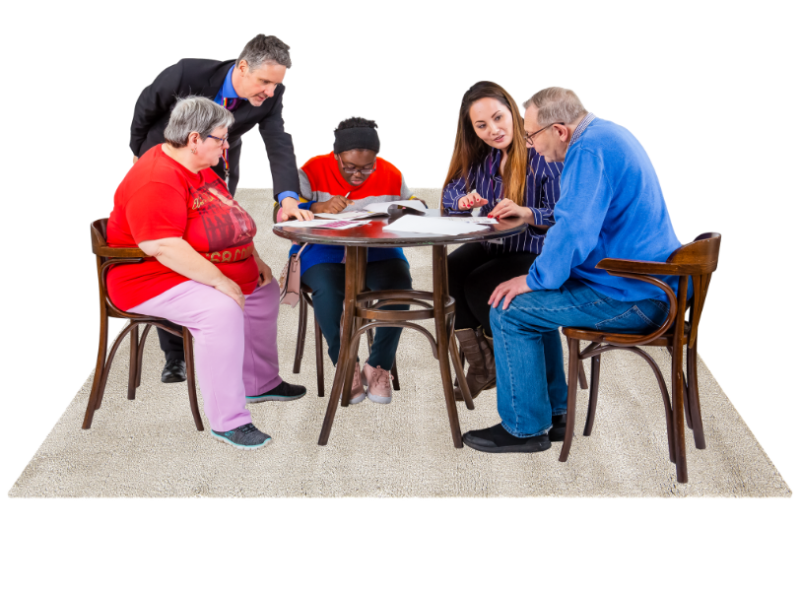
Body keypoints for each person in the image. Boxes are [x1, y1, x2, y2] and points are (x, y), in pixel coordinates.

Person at [462, 85, 685, 454]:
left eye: (531, 135)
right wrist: (540, 278)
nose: (530, 145)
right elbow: (581, 223)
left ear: (559, 130)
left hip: (637, 297)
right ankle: (555, 412)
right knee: (533, 302)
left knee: (508, 309)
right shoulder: (608, 134)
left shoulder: (589, 150)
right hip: (647, 287)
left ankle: (525, 428)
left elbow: (574, 229)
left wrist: (534, 279)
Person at [109, 96, 307, 449]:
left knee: (261, 290)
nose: (227, 144)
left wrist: (253, 258)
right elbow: (162, 246)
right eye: (220, 138)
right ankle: (228, 421)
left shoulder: (201, 167)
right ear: (195, 139)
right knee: (220, 309)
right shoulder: (156, 178)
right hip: (150, 277)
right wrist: (219, 281)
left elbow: (227, 219)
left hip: (194, 264)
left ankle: (260, 383)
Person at [129, 33, 314, 385]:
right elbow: (145, 108)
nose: (270, 92)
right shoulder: (187, 75)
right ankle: (175, 355)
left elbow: (277, 142)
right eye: (265, 82)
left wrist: (288, 198)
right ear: (243, 68)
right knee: (172, 248)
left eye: (277, 85)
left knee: (215, 244)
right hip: (164, 162)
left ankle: (220, 339)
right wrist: (141, 157)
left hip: (217, 169)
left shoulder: (269, 96)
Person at [280, 116, 418, 404]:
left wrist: (409, 209)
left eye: (367, 167)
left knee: (399, 287)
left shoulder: (391, 172)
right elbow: (281, 214)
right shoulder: (313, 169)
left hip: (378, 252)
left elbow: (412, 205)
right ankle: (346, 363)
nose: (358, 175)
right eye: (350, 167)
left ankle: (378, 366)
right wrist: (316, 206)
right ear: (336, 155)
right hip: (323, 250)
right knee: (328, 291)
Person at [441, 80, 562, 401]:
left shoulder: (543, 153)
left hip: (535, 249)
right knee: (448, 271)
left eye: (498, 117)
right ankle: (483, 365)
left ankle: (509, 364)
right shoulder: (484, 158)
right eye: (481, 125)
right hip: (493, 245)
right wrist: (463, 201)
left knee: (481, 285)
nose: (492, 129)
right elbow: (451, 192)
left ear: (513, 111)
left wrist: (526, 212)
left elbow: (565, 216)